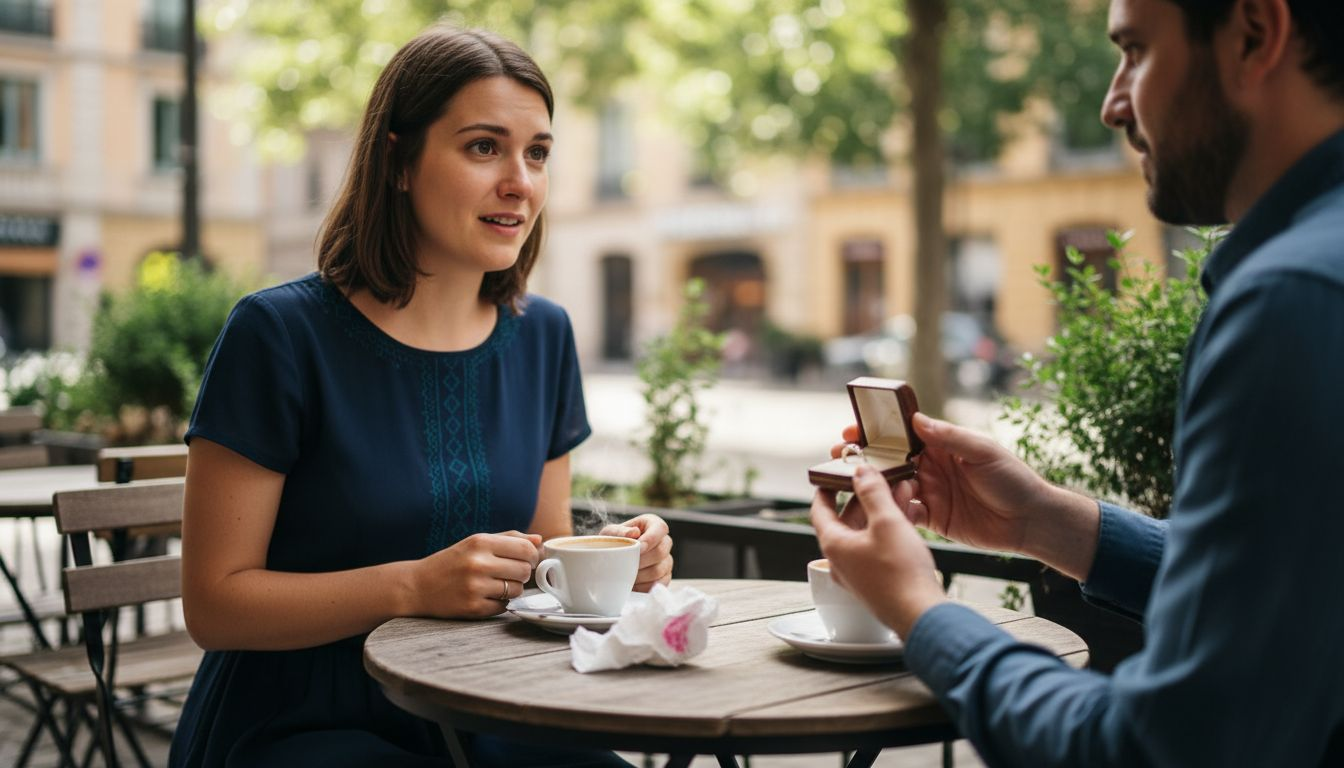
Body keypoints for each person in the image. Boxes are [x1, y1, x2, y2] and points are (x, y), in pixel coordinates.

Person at [811, 0, 1344, 764]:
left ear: (1255, 35)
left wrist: (919, 611)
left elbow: (1158, 750)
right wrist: (1041, 522)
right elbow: (1286, 600)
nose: (1112, 102)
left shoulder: (1290, 299)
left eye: (1135, 51)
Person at [170, 26, 671, 768]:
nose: (520, 181)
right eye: (483, 147)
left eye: (537, 152)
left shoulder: (544, 337)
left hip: (488, 704)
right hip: (304, 719)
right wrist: (412, 585)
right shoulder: (278, 334)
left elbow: (538, 562)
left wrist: (616, 561)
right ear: (398, 161)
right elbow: (214, 605)